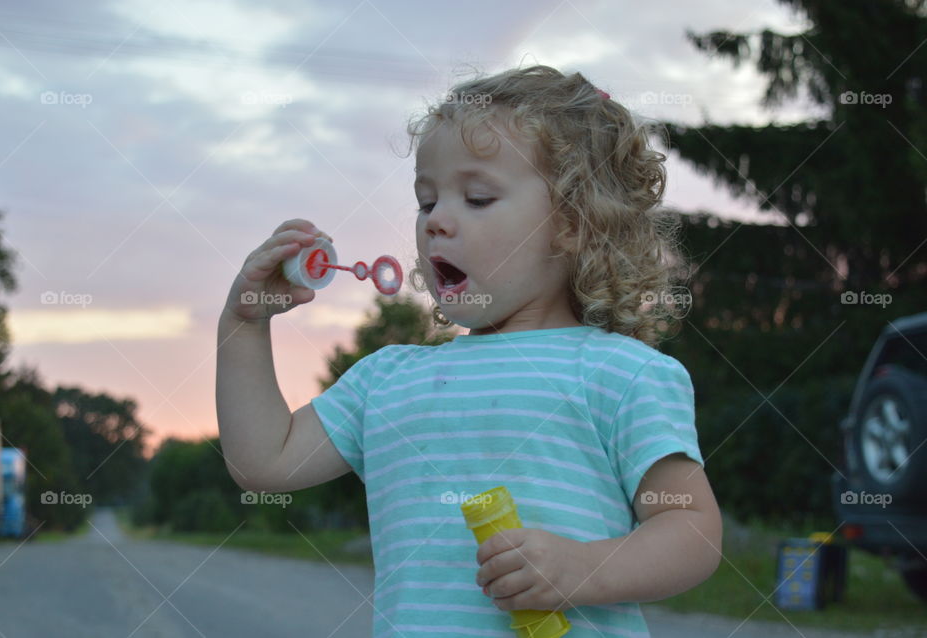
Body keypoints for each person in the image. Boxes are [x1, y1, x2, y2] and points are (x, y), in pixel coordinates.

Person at [217, 64, 722, 638]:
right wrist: (244, 324)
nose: (437, 223)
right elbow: (265, 461)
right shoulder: (387, 380)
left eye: (477, 198)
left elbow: (692, 530)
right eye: (426, 203)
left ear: (575, 223)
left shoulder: (620, 373)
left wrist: (584, 569)